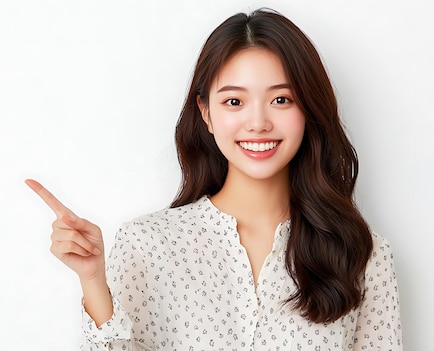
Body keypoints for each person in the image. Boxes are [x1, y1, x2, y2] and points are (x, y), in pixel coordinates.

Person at [25, 8, 402, 350]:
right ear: (205, 112)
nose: (258, 123)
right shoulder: (147, 244)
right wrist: (93, 280)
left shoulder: (363, 254)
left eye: (282, 100)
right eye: (234, 102)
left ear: (309, 109)